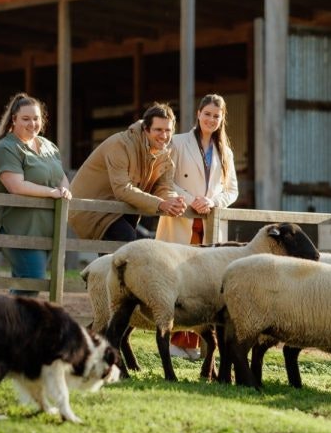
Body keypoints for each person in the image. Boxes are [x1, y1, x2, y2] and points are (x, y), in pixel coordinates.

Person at [155, 94, 240, 359]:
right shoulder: (178, 142)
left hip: (209, 223)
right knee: (177, 279)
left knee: (204, 285)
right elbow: (166, 180)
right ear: (198, 114)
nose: (211, 120)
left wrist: (213, 202)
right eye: (207, 114)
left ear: (222, 118)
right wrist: (192, 200)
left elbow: (232, 190)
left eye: (216, 116)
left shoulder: (225, 152)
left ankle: (193, 343)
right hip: (182, 218)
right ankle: (173, 340)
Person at [0, 93, 72, 297]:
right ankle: (8, 316)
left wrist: (64, 191)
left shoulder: (49, 146)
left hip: (47, 228)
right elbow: (16, 186)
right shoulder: (5, 148)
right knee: (33, 281)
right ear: (14, 119)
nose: (32, 124)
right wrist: (52, 193)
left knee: (25, 284)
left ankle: (10, 317)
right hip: (18, 228)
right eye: (25, 119)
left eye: (36, 118)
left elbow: (62, 177)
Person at [67, 102, 186, 243]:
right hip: (91, 209)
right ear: (146, 129)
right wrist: (160, 204)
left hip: (123, 209)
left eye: (168, 130)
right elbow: (122, 189)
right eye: (158, 130)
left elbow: (163, 187)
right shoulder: (121, 144)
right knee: (129, 241)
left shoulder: (166, 154)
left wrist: (173, 201)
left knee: (132, 247)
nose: (164, 135)